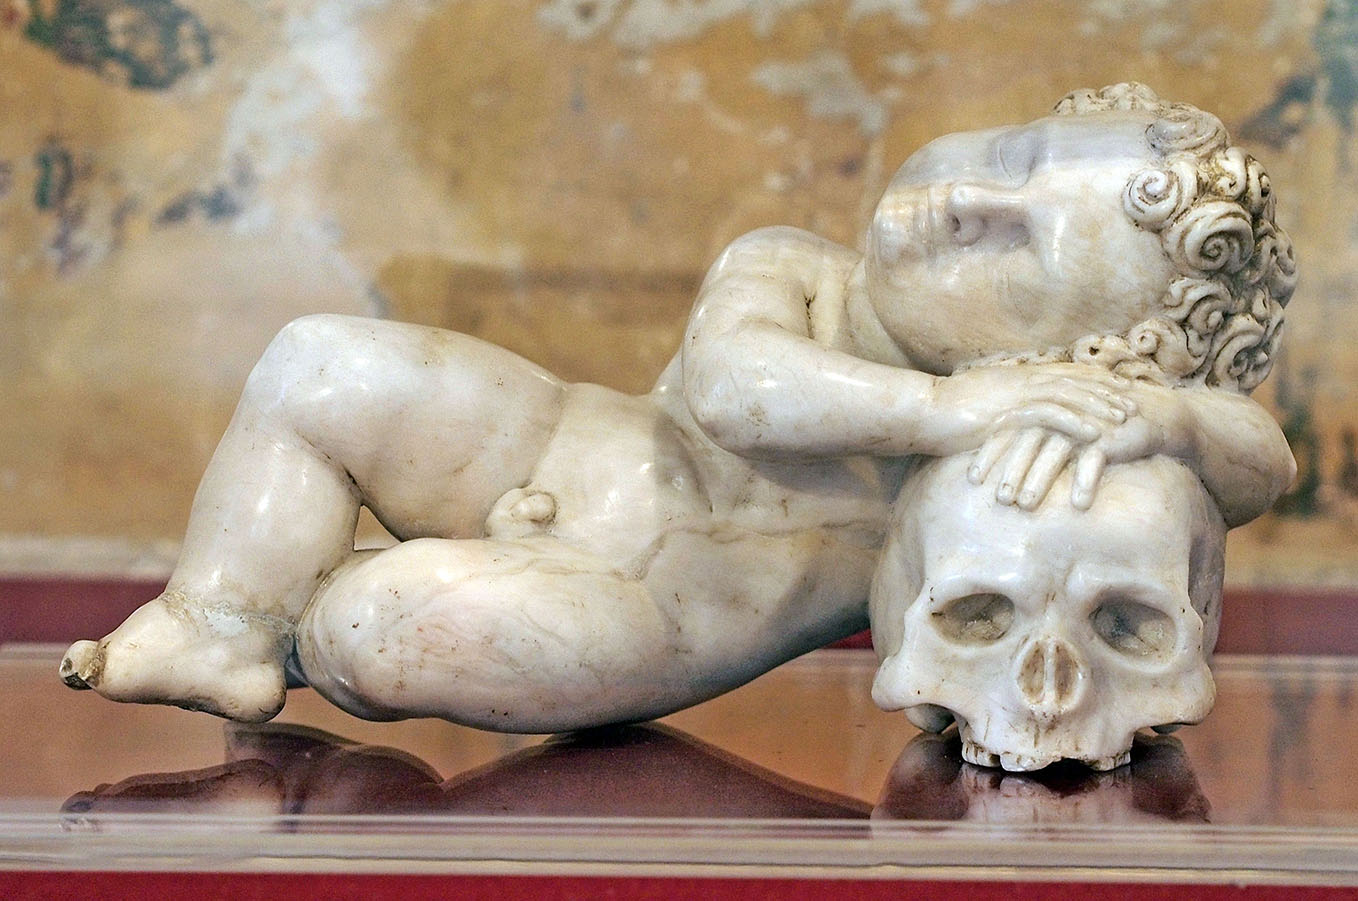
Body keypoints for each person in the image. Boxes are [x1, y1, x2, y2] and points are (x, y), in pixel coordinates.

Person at [60, 84, 1296, 731]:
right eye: (1011, 157)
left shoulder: (1018, 431)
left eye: (1019, 248)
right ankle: (218, 620)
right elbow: (736, 388)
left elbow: (1259, 463)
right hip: (551, 438)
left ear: (1076, 359)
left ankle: (310, 627)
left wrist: (1168, 419)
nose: (966, 200)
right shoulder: (800, 272)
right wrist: (951, 406)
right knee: (319, 363)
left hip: (648, 611)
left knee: (371, 631)